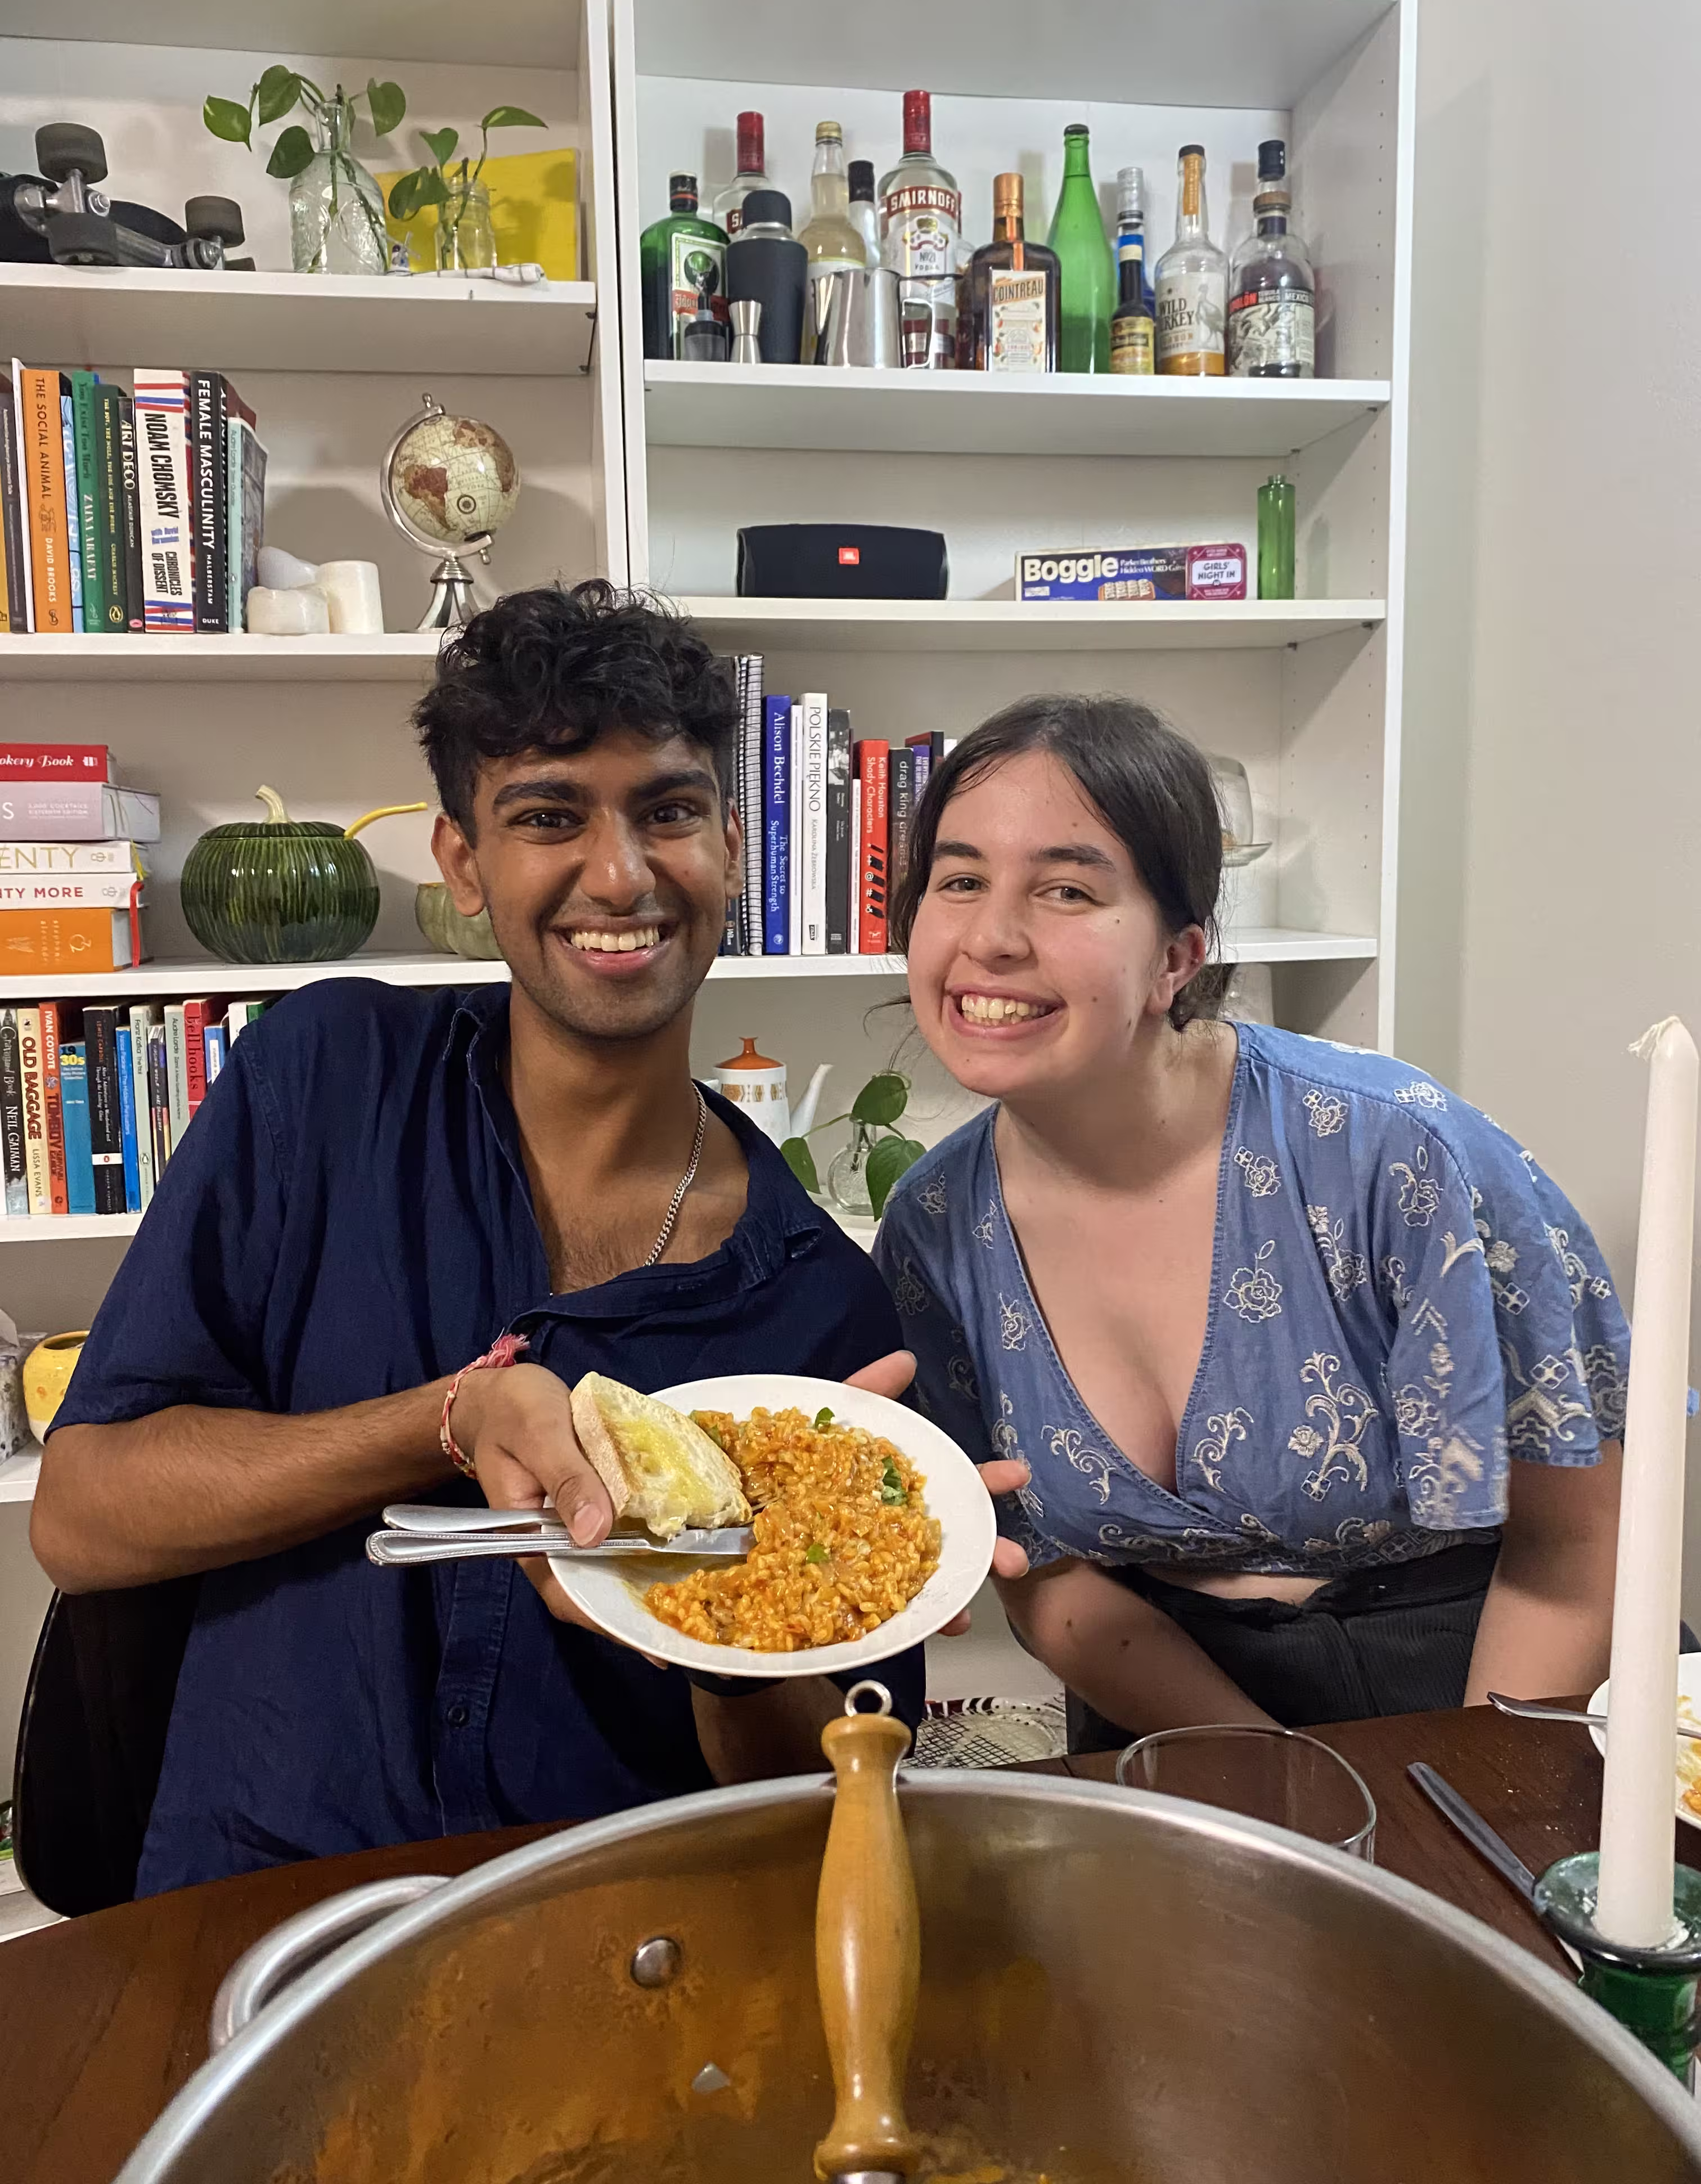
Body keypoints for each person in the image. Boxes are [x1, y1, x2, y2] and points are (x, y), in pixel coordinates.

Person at [30, 582, 1001, 1895]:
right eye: (550, 816)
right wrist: (446, 1418)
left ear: (731, 844)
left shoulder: (822, 1318)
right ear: (463, 862)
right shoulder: (327, 1082)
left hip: (617, 1925)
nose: (621, 874)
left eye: (669, 811)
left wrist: (735, 1625)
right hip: (259, 1903)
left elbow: (818, 1798)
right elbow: (84, 1521)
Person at [874, 693, 1628, 1748]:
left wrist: (1461, 1798)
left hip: (1477, 1694)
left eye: (1066, 889)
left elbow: (1572, 1553)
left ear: (1179, 958)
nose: (991, 938)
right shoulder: (935, 1225)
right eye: (959, 882)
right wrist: (1269, 1783)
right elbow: (1048, 1580)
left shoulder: (1393, 1155)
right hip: (1162, 1714)